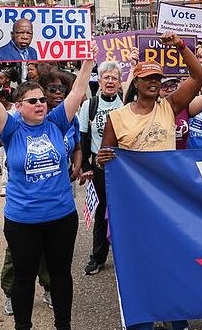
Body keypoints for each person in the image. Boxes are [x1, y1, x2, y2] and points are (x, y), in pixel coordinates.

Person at [0, 39, 94, 330]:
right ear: (19, 106)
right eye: (33, 101)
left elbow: (77, 92)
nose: (40, 104)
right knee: (24, 278)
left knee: (61, 275)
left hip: (62, 217)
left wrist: (88, 62)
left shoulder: (56, 122)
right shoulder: (11, 129)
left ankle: (63, 325)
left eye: (42, 100)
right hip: (23, 220)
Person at [96, 32, 202, 330]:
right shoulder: (116, 118)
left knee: (172, 262)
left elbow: (197, 77)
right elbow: (104, 157)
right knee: (138, 264)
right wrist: (99, 160)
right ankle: (142, 319)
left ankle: (176, 318)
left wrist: (181, 46)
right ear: (137, 84)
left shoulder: (169, 107)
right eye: (148, 79)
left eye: (157, 78)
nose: (154, 82)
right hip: (133, 207)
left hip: (168, 203)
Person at [79, 60, 126, 276]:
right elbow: (84, 137)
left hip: (124, 164)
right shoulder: (90, 105)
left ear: (119, 83)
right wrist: (87, 165)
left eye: (114, 78)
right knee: (102, 210)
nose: (109, 81)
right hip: (100, 164)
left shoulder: (125, 103)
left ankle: (126, 256)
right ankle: (97, 257)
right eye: (106, 77)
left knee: (125, 211)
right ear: (99, 80)